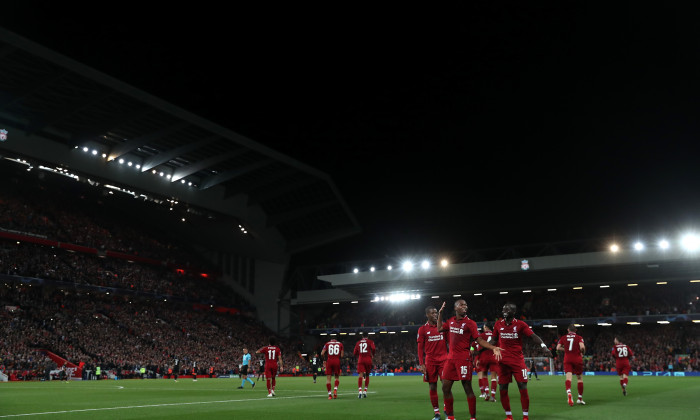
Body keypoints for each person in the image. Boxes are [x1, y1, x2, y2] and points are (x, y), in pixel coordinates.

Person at [437, 300, 502, 420]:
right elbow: (439, 328)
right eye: (461, 305)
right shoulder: (451, 321)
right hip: (450, 359)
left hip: (463, 359)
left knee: (467, 388)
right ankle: (450, 416)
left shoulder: (470, 323)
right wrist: (440, 313)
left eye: (466, 305)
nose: (464, 307)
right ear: (455, 308)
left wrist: (493, 347)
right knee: (445, 387)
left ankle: (473, 417)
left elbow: (479, 340)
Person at [493, 303, 553, 420]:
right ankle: (508, 416)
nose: (504, 310)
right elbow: (493, 339)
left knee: (522, 386)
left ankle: (525, 416)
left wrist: (544, 347)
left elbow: (533, 336)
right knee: (502, 389)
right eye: (503, 308)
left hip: (517, 361)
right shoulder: (498, 324)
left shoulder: (520, 324)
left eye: (508, 309)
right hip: (503, 362)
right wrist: (483, 348)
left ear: (513, 312)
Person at [417, 305, 449, 420]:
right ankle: (437, 413)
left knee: (446, 385)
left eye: (436, 312)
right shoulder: (422, 329)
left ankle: (447, 409)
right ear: (427, 315)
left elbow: (450, 341)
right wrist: (421, 364)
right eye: (433, 313)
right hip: (430, 361)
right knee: (432, 386)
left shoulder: (443, 326)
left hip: (444, 360)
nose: (435, 314)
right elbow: (420, 348)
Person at [556, 324, 586, 406]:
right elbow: (582, 347)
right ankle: (580, 398)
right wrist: (582, 353)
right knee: (579, 378)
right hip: (577, 358)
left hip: (567, 359)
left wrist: (565, 349)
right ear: (575, 330)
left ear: (568, 330)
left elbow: (558, 348)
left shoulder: (563, 337)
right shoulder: (579, 337)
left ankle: (569, 392)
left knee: (568, 377)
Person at [476, 323, 499, 402]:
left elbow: (479, 348)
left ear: (485, 327)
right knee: (493, 377)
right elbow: (498, 347)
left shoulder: (481, 335)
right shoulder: (494, 335)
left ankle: (487, 394)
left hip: (483, 357)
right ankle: (493, 396)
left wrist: (478, 359)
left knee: (484, 375)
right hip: (493, 357)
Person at [353, 331, 376, 398]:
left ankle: (360, 391)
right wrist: (372, 355)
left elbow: (354, 353)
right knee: (367, 375)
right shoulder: (370, 341)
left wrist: (359, 355)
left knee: (361, 375)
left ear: (362, 336)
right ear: (367, 336)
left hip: (361, 360)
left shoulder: (358, 342)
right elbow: (374, 348)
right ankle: (365, 391)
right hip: (368, 359)